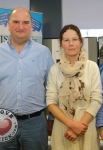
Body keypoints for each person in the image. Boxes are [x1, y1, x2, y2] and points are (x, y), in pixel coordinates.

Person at [0, 7, 54, 150]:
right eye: (16, 22)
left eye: (25, 22)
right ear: (9, 25)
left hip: (35, 124)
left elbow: (53, 89)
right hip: (3, 121)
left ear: (31, 26)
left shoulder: (44, 53)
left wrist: (52, 119)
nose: (21, 27)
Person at [46, 24, 103, 150]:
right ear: (61, 44)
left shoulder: (92, 67)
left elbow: (97, 99)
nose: (71, 43)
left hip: (86, 125)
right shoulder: (54, 70)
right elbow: (50, 102)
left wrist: (78, 127)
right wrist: (71, 125)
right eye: (66, 40)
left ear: (81, 42)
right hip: (62, 126)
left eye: (75, 39)